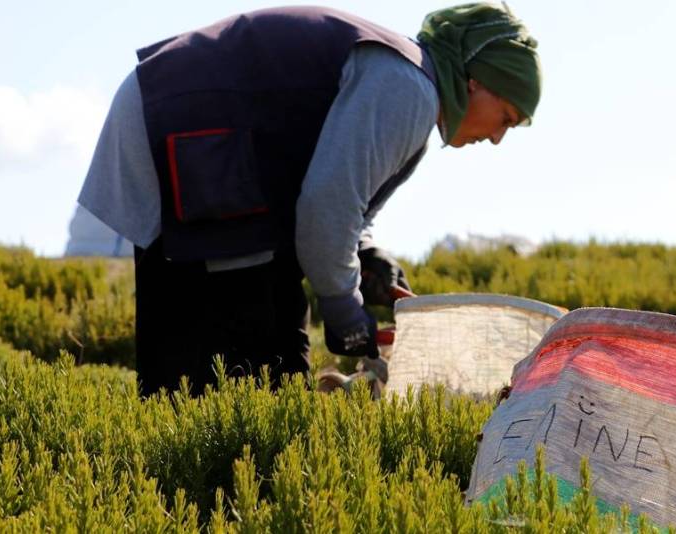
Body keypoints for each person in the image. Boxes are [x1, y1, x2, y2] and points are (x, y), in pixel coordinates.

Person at [76, 3, 542, 396]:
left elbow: (342, 205)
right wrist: (346, 312)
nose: (498, 138)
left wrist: (366, 256)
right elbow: (325, 211)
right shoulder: (409, 89)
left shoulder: (409, 83)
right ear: (477, 81)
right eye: (506, 116)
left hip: (188, 132)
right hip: (192, 136)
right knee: (232, 369)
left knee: (258, 361)